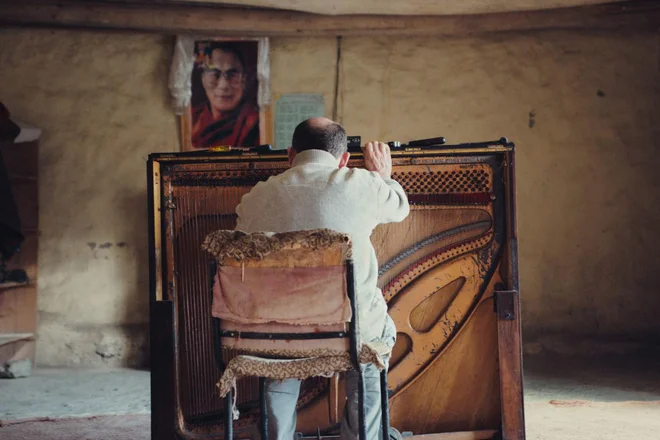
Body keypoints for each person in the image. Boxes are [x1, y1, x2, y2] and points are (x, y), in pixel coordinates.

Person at [235, 117, 410, 439]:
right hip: (350, 327)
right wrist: (383, 177)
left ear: (291, 155)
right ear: (344, 158)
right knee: (372, 348)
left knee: (279, 351)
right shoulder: (363, 183)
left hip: (276, 328)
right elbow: (400, 208)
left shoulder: (256, 196)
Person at [191, 43, 259, 148]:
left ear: (244, 81)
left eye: (232, 75)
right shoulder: (193, 119)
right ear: (203, 79)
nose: (223, 85)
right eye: (214, 74)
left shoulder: (254, 124)